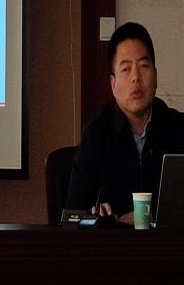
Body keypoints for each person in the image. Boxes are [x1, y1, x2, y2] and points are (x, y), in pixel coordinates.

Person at [65, 22, 184, 225]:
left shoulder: (178, 128)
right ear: (113, 84)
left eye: (144, 66)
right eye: (126, 69)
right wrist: (105, 220)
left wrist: (145, 218)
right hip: (113, 244)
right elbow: (72, 217)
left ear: (155, 75)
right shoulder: (96, 136)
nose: (136, 78)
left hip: (169, 244)